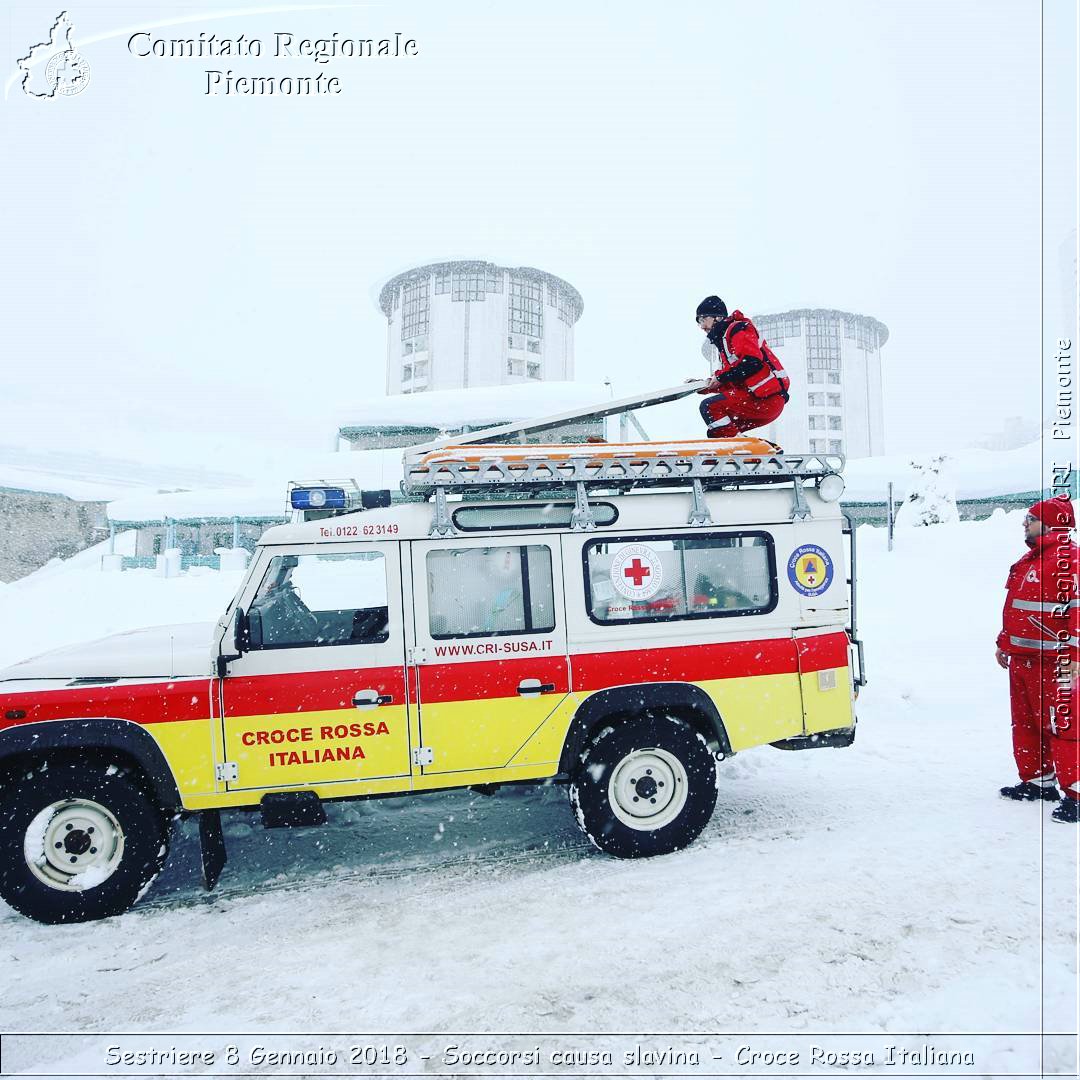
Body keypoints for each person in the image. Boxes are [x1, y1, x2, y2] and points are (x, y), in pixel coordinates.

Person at [995, 494, 1079, 823]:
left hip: (1055, 663)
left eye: (1030, 519)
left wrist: (1074, 654)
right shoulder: (1029, 560)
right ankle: (1037, 782)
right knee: (1027, 723)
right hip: (1023, 660)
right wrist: (1005, 643)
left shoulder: (1068, 560)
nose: (1024, 525)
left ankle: (1076, 793)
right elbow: (1014, 608)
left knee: (1064, 727)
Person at [693, 296, 790, 439]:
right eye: (698, 322)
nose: (701, 326)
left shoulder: (737, 329)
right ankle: (747, 449)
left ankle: (741, 447)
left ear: (717, 317)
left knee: (710, 408)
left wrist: (720, 377)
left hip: (766, 399)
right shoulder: (724, 343)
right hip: (760, 400)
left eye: (703, 319)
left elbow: (752, 362)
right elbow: (734, 381)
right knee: (716, 430)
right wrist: (706, 386)